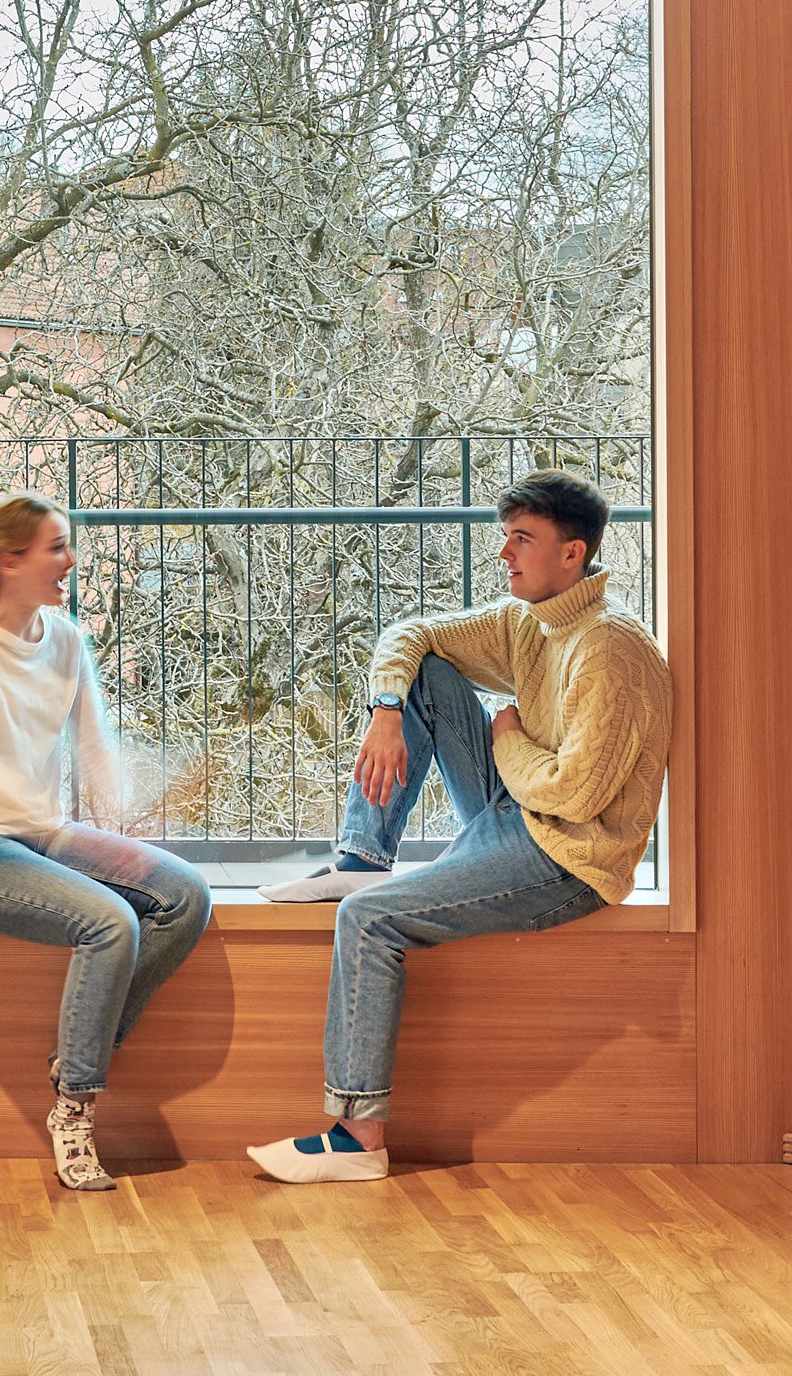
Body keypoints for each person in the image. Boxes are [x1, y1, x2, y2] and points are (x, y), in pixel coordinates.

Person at [248, 471, 671, 1185]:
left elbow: (577, 793)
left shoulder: (607, 648)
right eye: (504, 537)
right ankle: (362, 852)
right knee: (425, 674)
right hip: (518, 813)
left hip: (566, 856)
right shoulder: (530, 622)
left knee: (368, 922)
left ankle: (356, 1140)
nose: (504, 554)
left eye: (521, 540)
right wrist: (386, 711)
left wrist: (504, 736)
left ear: (571, 555)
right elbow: (408, 633)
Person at [0, 494, 213, 1190]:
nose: (69, 562)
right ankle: (74, 1108)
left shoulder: (67, 639)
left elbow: (92, 744)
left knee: (184, 896)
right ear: (10, 561)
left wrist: (118, 814)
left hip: (43, 835)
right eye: (55, 547)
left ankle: (85, 1043)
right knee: (109, 923)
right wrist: (26, 806)